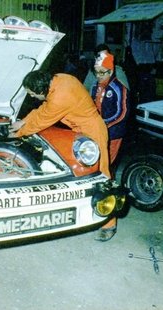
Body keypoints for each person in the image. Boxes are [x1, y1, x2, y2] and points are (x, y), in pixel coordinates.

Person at [9, 70, 110, 179]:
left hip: (92, 130)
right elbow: (45, 108)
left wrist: (17, 134)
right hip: (81, 127)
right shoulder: (60, 79)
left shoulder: (60, 98)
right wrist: (23, 121)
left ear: (41, 91)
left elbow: (40, 122)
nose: (32, 96)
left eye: (32, 94)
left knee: (98, 171)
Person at [90, 51, 130, 241]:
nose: (100, 76)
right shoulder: (95, 86)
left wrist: (102, 125)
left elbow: (121, 114)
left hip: (112, 136)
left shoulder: (118, 88)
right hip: (96, 134)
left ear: (111, 70)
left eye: (103, 72)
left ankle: (109, 222)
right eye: (97, 72)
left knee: (105, 174)